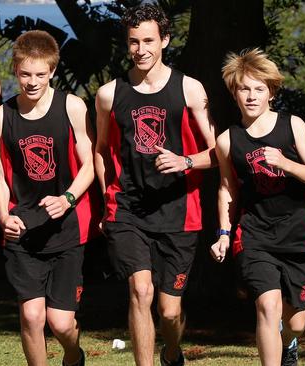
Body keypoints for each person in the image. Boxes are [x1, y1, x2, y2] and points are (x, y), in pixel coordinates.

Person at [94, 4, 216, 365]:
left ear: (165, 40)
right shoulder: (108, 94)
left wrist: (186, 161)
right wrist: (107, 200)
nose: (141, 49)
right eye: (133, 42)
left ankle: (173, 350)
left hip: (179, 212)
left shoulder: (190, 90)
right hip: (127, 209)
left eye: (148, 40)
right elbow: (101, 150)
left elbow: (220, 151)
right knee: (140, 290)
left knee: (169, 311)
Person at [211, 48, 305, 366]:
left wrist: (286, 163)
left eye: (259, 88)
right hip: (255, 234)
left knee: (296, 323)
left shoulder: (293, 126)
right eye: (244, 88)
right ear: (235, 93)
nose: (251, 96)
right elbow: (227, 189)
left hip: (301, 234)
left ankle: (288, 343)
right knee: (268, 306)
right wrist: (223, 232)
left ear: (271, 92)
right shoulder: (227, 141)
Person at [0, 30, 96, 366]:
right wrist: (4, 217)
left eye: (40, 74)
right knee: (33, 317)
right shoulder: (1, 117)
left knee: (61, 323)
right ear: (15, 70)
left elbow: (90, 166)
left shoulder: (72, 107)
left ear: (52, 70)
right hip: (23, 228)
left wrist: (67, 198)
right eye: (25, 74)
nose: (32, 82)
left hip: (67, 227)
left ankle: (72, 354)